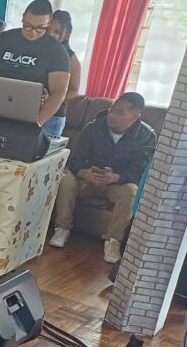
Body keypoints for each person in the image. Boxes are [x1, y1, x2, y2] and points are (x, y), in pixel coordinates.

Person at [48, 92, 156, 263]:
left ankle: (113, 241)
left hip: (117, 184)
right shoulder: (93, 127)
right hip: (88, 180)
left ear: (135, 117)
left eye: (120, 112)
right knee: (65, 179)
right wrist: (83, 172)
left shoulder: (147, 137)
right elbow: (76, 160)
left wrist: (117, 177)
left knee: (132, 191)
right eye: (112, 109)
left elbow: (139, 172)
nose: (112, 115)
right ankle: (62, 228)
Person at [0, 0, 71, 129]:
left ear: (49, 22)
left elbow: (59, 92)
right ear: (23, 17)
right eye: (28, 26)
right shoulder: (2, 40)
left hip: (36, 115)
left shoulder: (57, 52)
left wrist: (37, 122)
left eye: (40, 28)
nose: (32, 32)